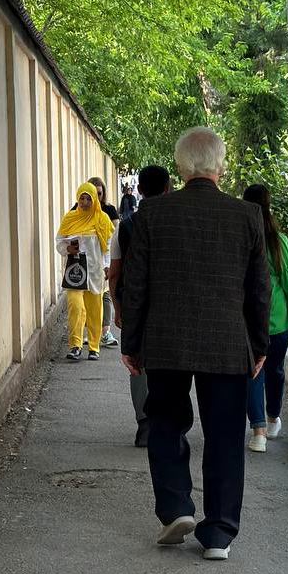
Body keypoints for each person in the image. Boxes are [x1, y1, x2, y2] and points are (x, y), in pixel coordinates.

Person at [121, 127, 270, 561]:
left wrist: (131, 342)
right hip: (226, 344)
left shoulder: (151, 215)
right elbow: (258, 291)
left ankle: (175, 508)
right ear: (220, 167)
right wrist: (258, 346)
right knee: (225, 434)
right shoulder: (247, 217)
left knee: (165, 421)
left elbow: (137, 285)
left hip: (165, 342)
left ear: (180, 167)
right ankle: (219, 534)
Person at [108, 165, 172, 447]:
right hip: (171, 305)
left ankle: (145, 423)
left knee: (137, 363)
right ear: (168, 188)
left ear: (140, 190)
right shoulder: (176, 222)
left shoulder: (125, 226)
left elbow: (115, 273)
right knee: (171, 364)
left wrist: (119, 309)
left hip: (138, 305)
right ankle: (168, 420)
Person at [241, 184, 288, 453]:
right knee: (275, 370)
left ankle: (258, 432)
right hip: (278, 318)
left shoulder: (240, 237)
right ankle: (272, 418)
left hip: (247, 318)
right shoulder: (278, 241)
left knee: (252, 372)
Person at [57, 182, 114, 361]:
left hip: (95, 271)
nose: (84, 201)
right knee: (75, 306)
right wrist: (68, 249)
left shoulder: (102, 219)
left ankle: (94, 346)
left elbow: (108, 245)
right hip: (75, 271)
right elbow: (59, 242)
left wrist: (107, 265)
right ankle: (75, 345)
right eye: (81, 198)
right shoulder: (70, 219)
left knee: (94, 309)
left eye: (88, 198)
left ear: (95, 199)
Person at [72, 177, 121, 349]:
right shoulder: (75, 212)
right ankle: (86, 335)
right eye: (90, 194)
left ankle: (104, 332)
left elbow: (113, 237)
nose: (93, 198)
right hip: (80, 266)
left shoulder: (108, 211)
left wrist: (109, 263)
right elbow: (65, 237)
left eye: (98, 194)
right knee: (81, 301)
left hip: (101, 262)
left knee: (103, 297)